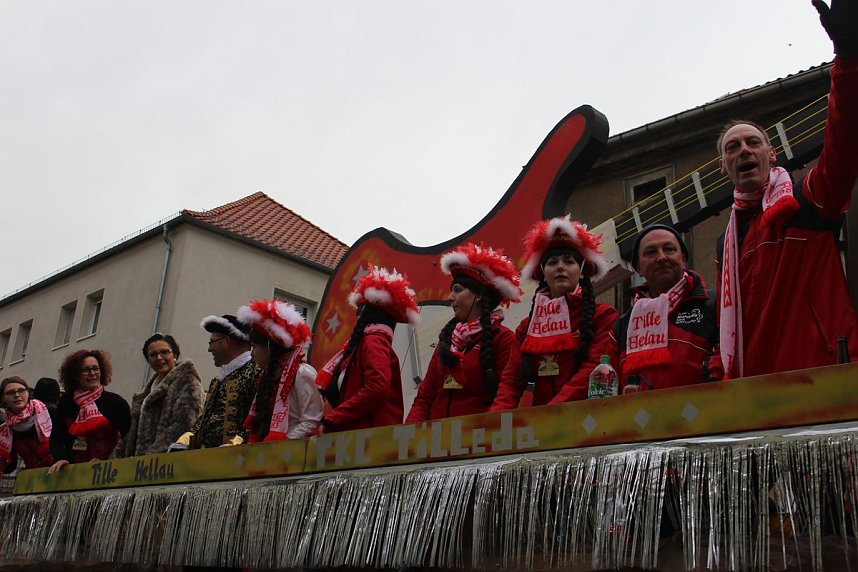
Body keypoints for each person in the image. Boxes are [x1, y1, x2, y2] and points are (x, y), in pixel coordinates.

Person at [716, 0, 858, 379]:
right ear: (724, 166)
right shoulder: (724, 242)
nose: (744, 150)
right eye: (733, 147)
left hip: (822, 374)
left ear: (771, 154)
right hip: (755, 390)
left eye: (753, 143)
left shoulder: (807, 200)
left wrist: (849, 60)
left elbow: (844, 142)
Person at [494, 215, 618, 407]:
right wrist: (495, 422)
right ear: (543, 273)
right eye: (552, 262)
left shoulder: (603, 316)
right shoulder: (525, 327)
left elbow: (592, 368)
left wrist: (552, 411)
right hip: (541, 425)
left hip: (586, 420)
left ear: (582, 271)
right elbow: (510, 381)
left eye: (569, 262)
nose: (560, 267)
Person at [406, 245, 523, 421]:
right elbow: (424, 398)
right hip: (435, 442)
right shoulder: (445, 341)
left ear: (479, 296)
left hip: (477, 441)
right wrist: (410, 438)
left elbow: (507, 395)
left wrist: (484, 433)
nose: (450, 297)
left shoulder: (503, 339)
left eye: (458, 290)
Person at [612, 225, 723, 392]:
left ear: (683, 259)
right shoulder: (623, 324)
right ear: (639, 268)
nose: (662, 257)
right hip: (639, 416)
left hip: (706, 413)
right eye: (651, 252)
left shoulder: (715, 303)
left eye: (669, 249)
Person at [318, 265, 419, 432]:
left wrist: (333, 418)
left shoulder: (373, 341)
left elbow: (377, 387)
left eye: (359, 311)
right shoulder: (370, 342)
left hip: (368, 440)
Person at [237, 299, 322, 441]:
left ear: (270, 347)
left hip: (292, 455)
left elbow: (312, 421)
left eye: (255, 347)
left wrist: (281, 446)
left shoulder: (302, 373)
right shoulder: (267, 377)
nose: (252, 353)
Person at [172, 315, 259, 449]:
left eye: (211, 342)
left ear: (227, 341)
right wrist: (185, 440)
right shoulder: (218, 379)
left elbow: (257, 418)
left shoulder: (256, 371)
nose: (209, 349)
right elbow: (204, 420)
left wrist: (236, 444)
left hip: (239, 460)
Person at [115, 333, 204, 457]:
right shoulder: (146, 393)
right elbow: (131, 437)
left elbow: (183, 425)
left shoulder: (187, 382)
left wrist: (149, 456)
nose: (159, 358)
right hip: (140, 468)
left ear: (175, 355)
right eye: (153, 355)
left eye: (164, 352)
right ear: (148, 360)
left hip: (167, 464)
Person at [48, 350, 131, 473]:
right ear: (75, 375)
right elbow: (57, 438)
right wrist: (62, 459)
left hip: (108, 470)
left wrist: (110, 460)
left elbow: (129, 439)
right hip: (73, 471)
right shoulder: (66, 401)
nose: (92, 373)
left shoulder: (116, 402)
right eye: (86, 370)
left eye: (96, 369)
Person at [0, 377, 54, 472]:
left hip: (59, 468)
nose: (17, 395)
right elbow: (10, 466)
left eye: (21, 391)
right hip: (32, 476)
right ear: (3, 398)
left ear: (28, 393)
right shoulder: (6, 428)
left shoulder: (47, 411)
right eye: (11, 392)